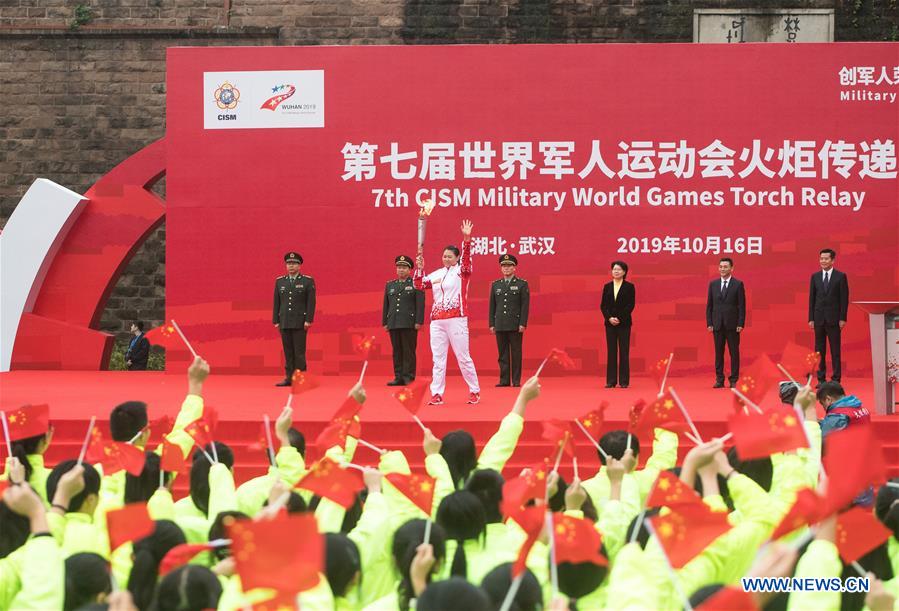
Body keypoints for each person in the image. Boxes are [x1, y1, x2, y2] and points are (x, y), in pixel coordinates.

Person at [414, 220, 481, 406]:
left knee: (463, 357)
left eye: (450, 256)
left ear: (457, 258)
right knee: (438, 360)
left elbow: (467, 261)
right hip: (437, 321)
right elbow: (419, 285)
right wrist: (419, 268)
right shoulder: (437, 274)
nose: (446, 259)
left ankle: (474, 390)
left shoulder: (462, 272)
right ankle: (436, 393)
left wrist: (467, 239)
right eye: (444, 256)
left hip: (456, 319)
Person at [273, 251, 316, 386]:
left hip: (300, 322)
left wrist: (308, 319)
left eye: (294, 263)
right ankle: (289, 378)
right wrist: (276, 320)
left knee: (299, 353)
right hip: (284, 321)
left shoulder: (307, 281)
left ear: (299, 266)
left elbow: (311, 302)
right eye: (289, 264)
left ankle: (301, 378)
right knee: (288, 352)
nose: (291, 266)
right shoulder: (280, 282)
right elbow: (276, 302)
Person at [808, 248, 849, 384]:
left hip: (834, 319)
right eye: (821, 259)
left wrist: (843, 318)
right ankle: (821, 379)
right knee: (819, 352)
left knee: (835, 350)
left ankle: (836, 379)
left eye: (826, 259)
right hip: (819, 319)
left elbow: (844, 299)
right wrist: (811, 318)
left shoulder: (840, 276)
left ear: (832, 260)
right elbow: (812, 299)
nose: (823, 261)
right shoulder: (815, 277)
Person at [383, 255, 425, 386]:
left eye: (404, 268)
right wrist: (385, 322)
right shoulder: (390, 285)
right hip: (394, 322)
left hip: (409, 322)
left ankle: (408, 377)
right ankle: (398, 377)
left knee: (408, 351)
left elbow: (420, 303)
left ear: (409, 270)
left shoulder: (415, 283)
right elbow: (386, 305)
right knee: (397, 351)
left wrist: (419, 321)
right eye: (399, 267)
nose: (401, 270)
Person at [488, 254, 529, 388]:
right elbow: (492, 306)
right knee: (502, 354)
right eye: (503, 266)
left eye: (509, 266)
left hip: (515, 324)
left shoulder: (522, 284)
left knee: (516, 353)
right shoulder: (496, 285)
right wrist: (492, 324)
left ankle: (516, 380)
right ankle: (504, 380)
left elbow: (525, 306)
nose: (506, 268)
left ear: (514, 268)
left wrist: (523, 323)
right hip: (500, 324)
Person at [706, 257, 746, 388]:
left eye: (725, 267)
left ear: (731, 268)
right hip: (717, 324)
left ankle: (734, 379)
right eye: (721, 267)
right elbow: (709, 306)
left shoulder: (738, 284)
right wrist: (709, 323)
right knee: (718, 353)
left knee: (734, 352)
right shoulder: (713, 284)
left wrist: (740, 323)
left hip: (733, 325)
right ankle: (719, 379)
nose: (723, 269)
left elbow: (742, 306)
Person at [600, 260, 635, 388]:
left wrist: (619, 318)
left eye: (619, 269)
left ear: (624, 272)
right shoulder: (607, 286)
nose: (616, 271)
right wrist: (609, 318)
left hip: (624, 323)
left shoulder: (629, 287)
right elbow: (603, 306)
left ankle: (624, 381)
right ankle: (611, 381)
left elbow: (630, 305)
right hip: (610, 324)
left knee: (624, 352)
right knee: (611, 351)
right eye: (614, 269)